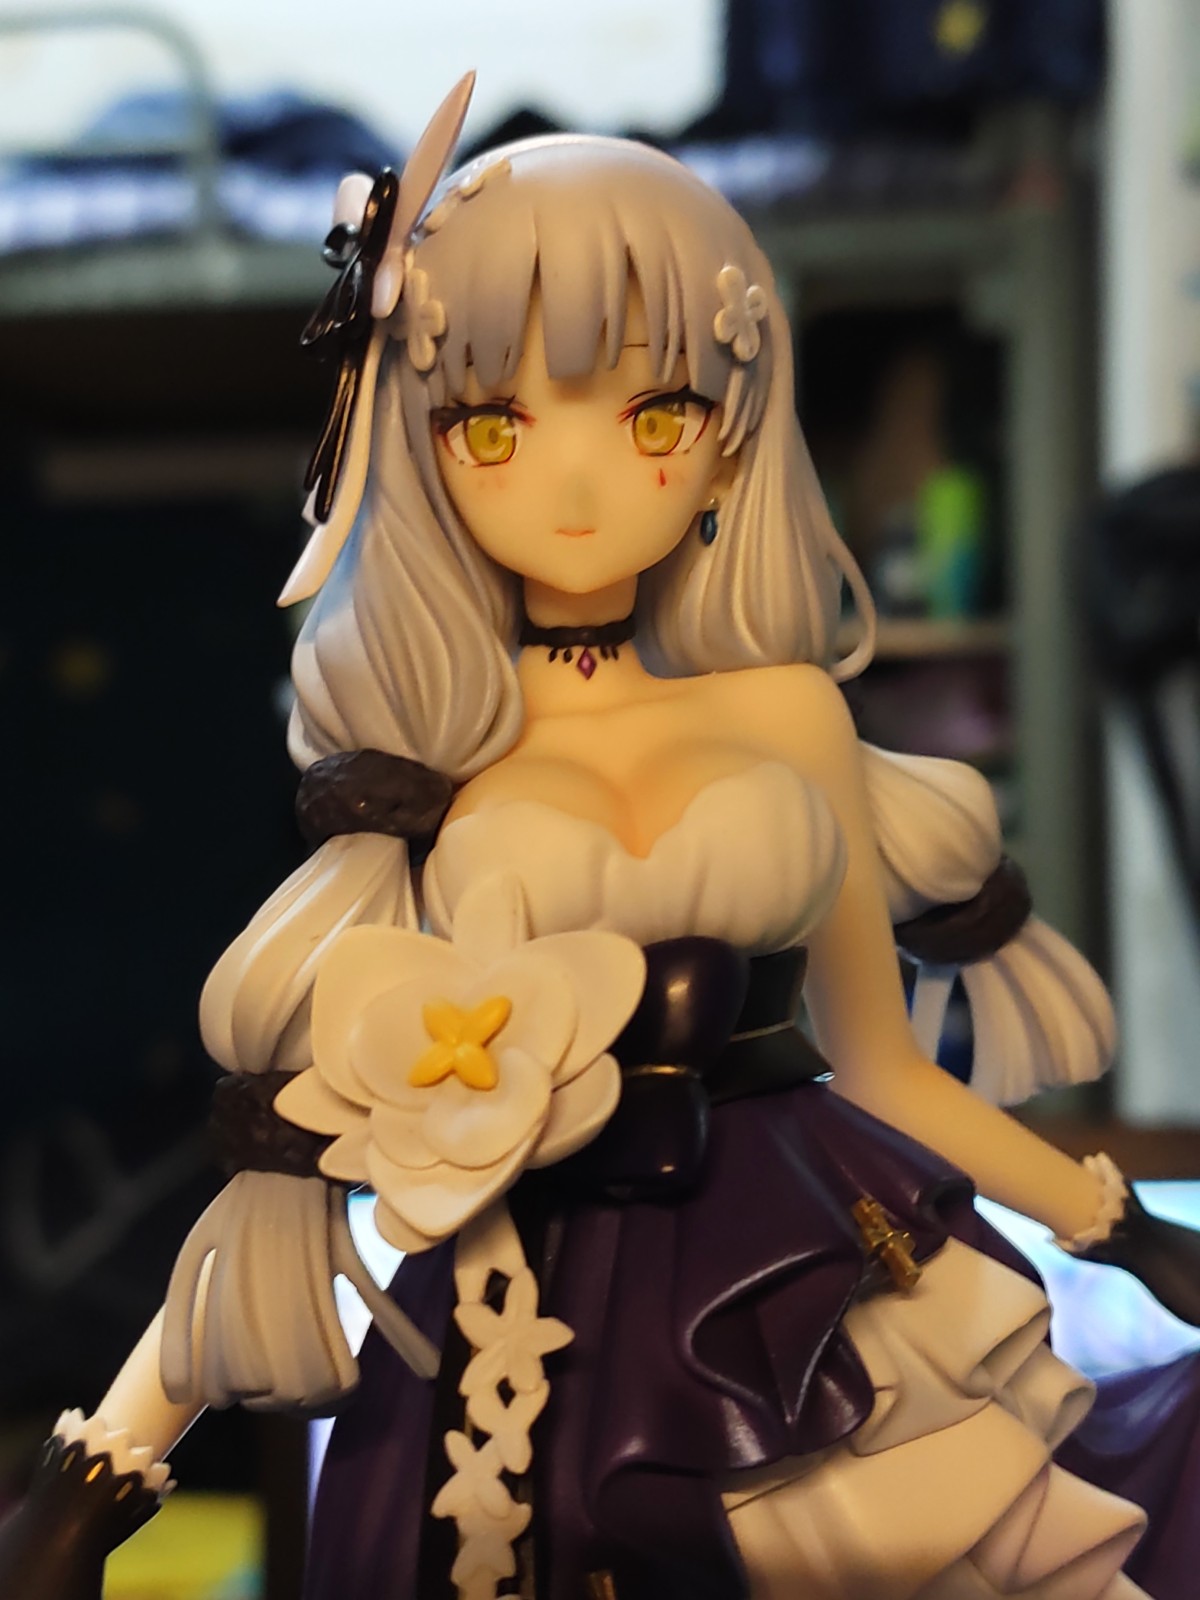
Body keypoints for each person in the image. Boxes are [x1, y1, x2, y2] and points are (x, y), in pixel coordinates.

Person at [3, 75, 1198, 1600]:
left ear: (730, 438)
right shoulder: (435, 752)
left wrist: (1127, 1232)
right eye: (496, 423)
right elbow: (290, 1141)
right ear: (426, 442)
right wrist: (94, 1476)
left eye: (652, 415)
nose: (574, 483)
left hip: (820, 1267)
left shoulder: (788, 712)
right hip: (533, 1326)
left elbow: (885, 1067)